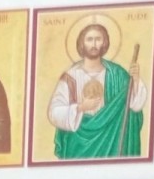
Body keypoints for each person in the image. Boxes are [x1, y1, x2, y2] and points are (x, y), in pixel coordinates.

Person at [49, 22, 147, 160]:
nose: (94, 44)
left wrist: (135, 80)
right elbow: (54, 112)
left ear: (104, 43)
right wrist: (81, 107)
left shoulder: (117, 74)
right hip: (78, 145)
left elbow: (134, 106)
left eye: (98, 39)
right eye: (89, 39)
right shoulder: (70, 77)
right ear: (82, 43)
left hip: (112, 142)